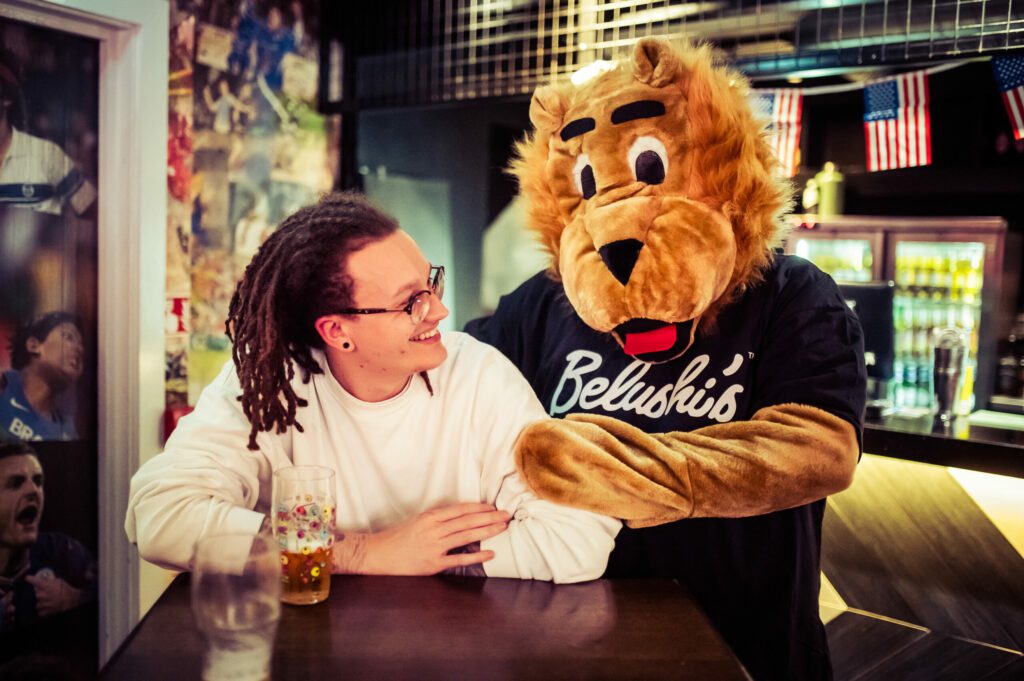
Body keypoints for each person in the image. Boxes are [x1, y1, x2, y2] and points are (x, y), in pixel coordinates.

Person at [126, 192, 619, 581]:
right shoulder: (268, 381)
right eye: (411, 302)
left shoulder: (477, 374)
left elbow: (580, 538)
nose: (440, 311)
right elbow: (161, 515)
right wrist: (363, 553)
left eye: (431, 283)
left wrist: (423, 558)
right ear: (337, 331)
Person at [0, 442, 96, 632]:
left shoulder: (62, 552)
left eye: (38, 481)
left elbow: (119, 596)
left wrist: (76, 599)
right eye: (16, 483)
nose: (33, 490)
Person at [0, 313, 83, 442]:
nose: (80, 349)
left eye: (81, 345)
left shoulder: (67, 433)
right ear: (34, 346)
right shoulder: (3, 385)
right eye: (68, 336)